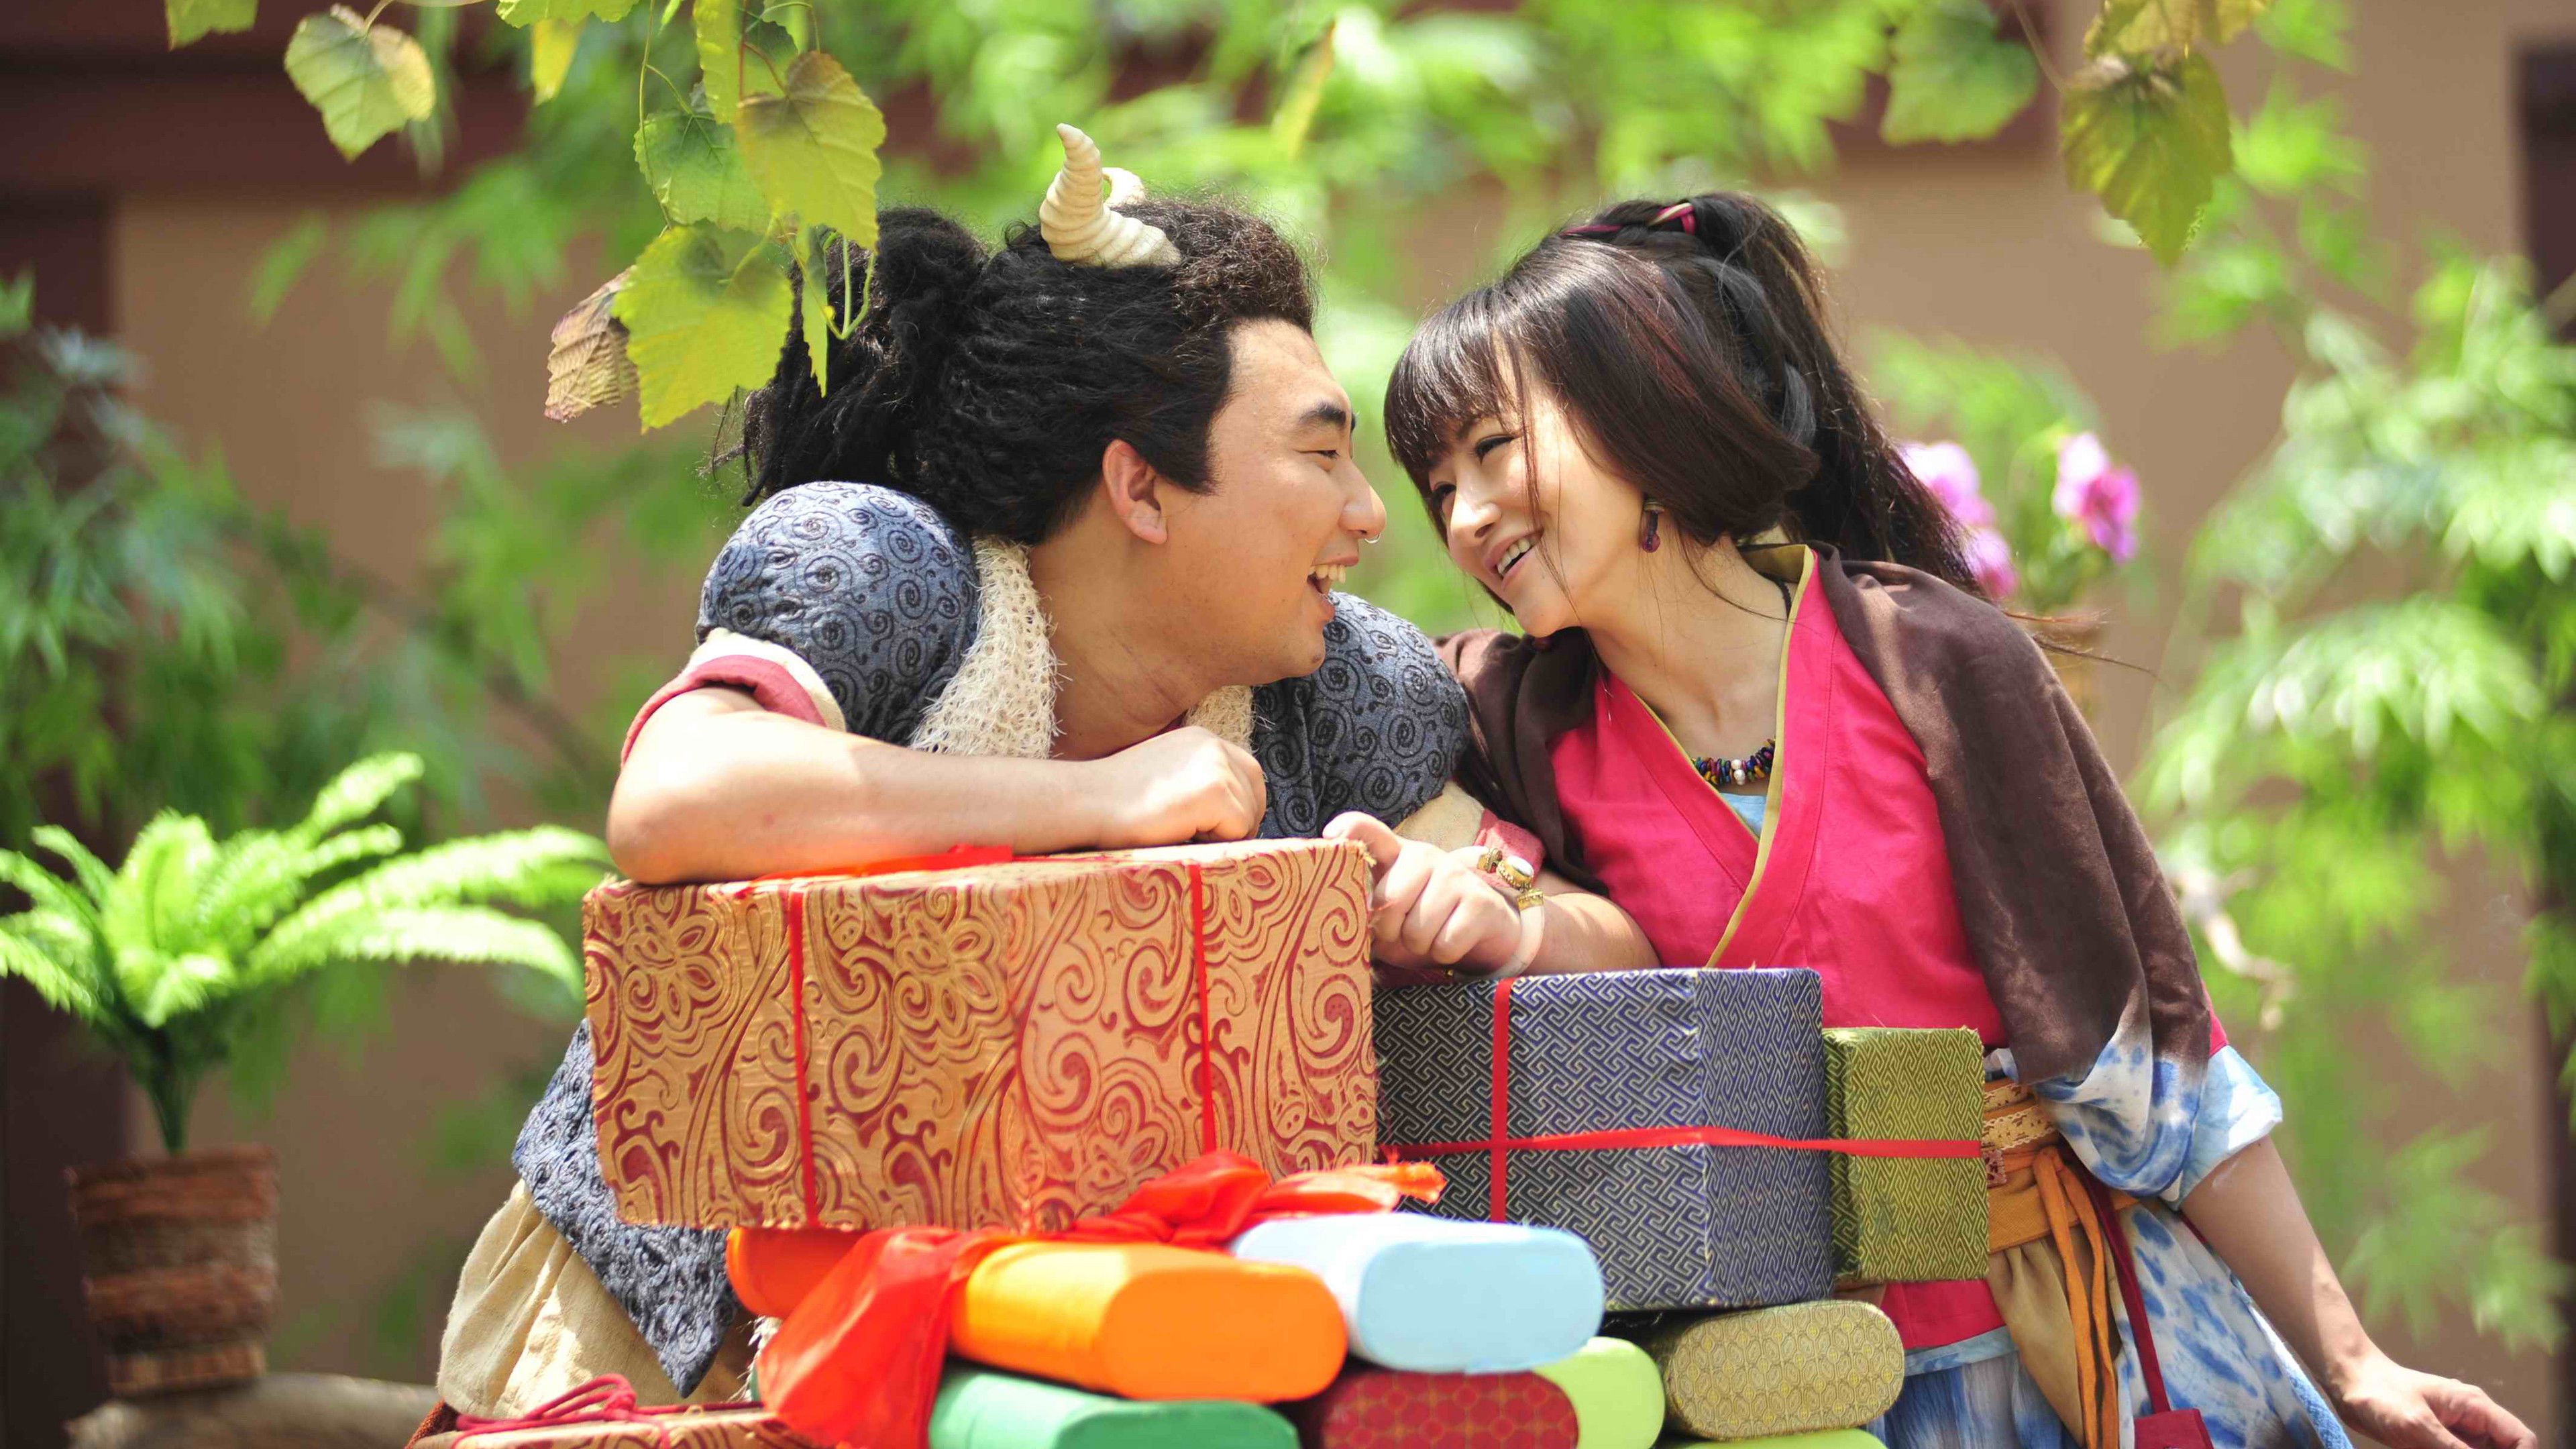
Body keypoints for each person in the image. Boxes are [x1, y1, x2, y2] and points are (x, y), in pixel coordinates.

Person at [415, 127, 1626, 1440]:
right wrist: (1103, 806)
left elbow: (1611, 938)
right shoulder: (888, 570)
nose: (1372, 513)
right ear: (1141, 488)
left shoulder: (1334, 680)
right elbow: (672, 799)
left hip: (1049, 1359)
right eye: (1322, 455)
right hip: (663, 1328)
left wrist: (1498, 916)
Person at [1380, 193, 2534, 1449]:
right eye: (1439, 485)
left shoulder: (1932, 662)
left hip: (2067, 1357)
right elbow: (1324, 691)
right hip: (1766, 1398)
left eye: (1494, 449)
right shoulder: (1510, 721)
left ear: (1645, 408)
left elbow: (2158, 1069)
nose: (1466, 517)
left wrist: (2355, 1364)